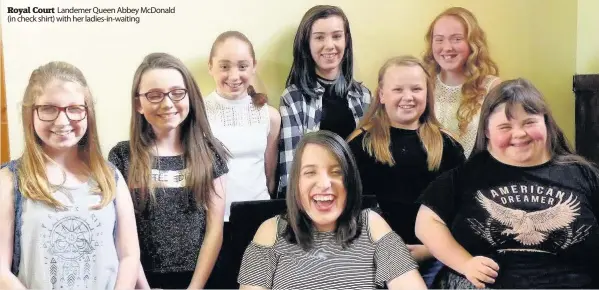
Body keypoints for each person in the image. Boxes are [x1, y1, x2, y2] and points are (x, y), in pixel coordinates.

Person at [415, 78, 599, 289]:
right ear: (486, 132)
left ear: (546, 123)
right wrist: (465, 263)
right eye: (505, 126)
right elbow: (426, 223)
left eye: (529, 122)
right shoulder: (465, 176)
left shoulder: (584, 174)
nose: (519, 134)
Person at [0, 61, 139, 289]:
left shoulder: (110, 177)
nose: (62, 121)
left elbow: (129, 256)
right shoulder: (10, 180)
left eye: (74, 108)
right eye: (48, 108)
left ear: (88, 112)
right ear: (30, 113)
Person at [238, 130, 427, 289]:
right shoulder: (271, 231)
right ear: (296, 183)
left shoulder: (371, 224)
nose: (324, 184)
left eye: (336, 172)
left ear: (350, 182)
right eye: (310, 172)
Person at [108, 53, 229, 289]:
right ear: (138, 104)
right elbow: (120, 234)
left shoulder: (210, 153)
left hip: (201, 278)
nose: (167, 103)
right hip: (140, 279)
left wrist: (194, 288)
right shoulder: (122, 157)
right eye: (154, 95)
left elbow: (215, 229)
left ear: (189, 96)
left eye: (177, 93)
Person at [348, 55, 465, 287]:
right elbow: (348, 209)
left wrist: (430, 249)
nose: (407, 97)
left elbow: (463, 209)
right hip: (372, 256)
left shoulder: (448, 146)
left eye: (416, 89)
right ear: (382, 94)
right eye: (398, 89)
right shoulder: (359, 145)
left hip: (434, 256)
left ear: (427, 94)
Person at [203, 30, 281, 288]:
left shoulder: (269, 116)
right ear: (210, 66)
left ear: (254, 67)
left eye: (243, 66)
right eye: (224, 66)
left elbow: (270, 174)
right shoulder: (197, 114)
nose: (234, 76)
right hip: (214, 223)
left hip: (260, 221)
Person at [277, 5, 371, 197]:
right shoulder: (293, 98)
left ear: (346, 41)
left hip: (356, 196)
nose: (329, 45)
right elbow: (291, 169)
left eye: (336, 36)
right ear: (307, 43)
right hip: (315, 196)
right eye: (319, 37)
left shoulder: (364, 96)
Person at [423, 6, 501, 157]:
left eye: (457, 39)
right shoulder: (423, 85)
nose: (446, 47)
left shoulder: (492, 87)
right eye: (439, 39)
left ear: (473, 44)